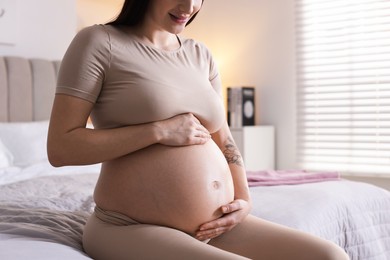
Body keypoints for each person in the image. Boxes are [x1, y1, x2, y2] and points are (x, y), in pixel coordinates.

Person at [47, 0, 350, 259]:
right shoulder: (99, 42)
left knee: (330, 256)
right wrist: (158, 131)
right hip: (130, 226)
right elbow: (61, 147)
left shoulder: (200, 54)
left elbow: (224, 137)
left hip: (215, 225)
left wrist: (243, 200)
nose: (190, 7)